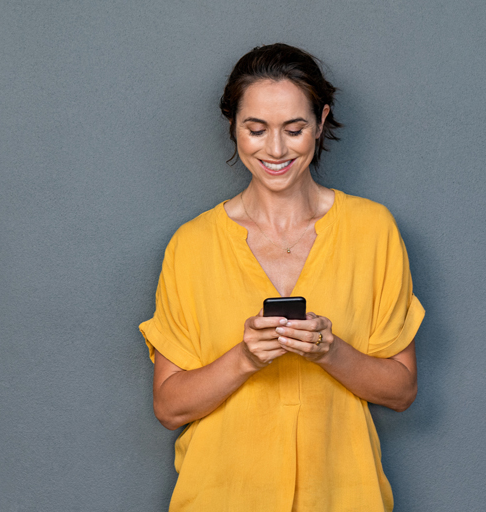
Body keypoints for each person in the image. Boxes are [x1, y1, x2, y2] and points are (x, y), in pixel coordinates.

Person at [139, 43, 425, 512]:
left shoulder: (374, 231)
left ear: (321, 122)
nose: (275, 149)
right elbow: (170, 408)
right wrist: (245, 358)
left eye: (294, 129)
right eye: (256, 129)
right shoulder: (190, 245)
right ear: (233, 127)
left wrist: (331, 352)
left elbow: (402, 391)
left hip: (344, 497)